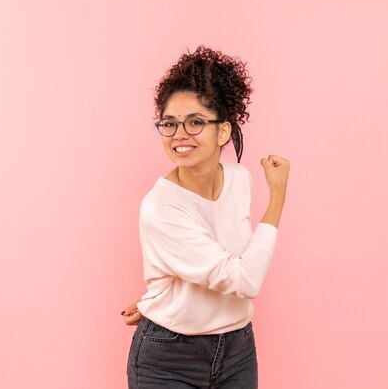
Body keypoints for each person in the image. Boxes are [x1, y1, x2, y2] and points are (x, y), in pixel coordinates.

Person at [123, 46, 289, 389]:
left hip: (238, 349)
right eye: (169, 124)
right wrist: (278, 199)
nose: (179, 134)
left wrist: (165, 295)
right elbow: (245, 280)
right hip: (168, 359)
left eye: (195, 122)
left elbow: (226, 257)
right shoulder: (161, 207)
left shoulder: (240, 180)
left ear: (223, 131)